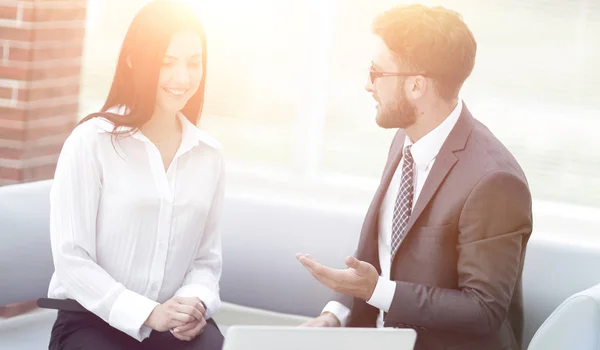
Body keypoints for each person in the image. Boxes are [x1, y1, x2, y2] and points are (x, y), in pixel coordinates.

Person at [297, 4, 532, 350]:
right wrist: (336, 314)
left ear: (417, 86)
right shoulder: (406, 138)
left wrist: (377, 291)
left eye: (377, 72)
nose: (367, 84)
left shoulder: (494, 181)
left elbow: (483, 310)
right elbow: (383, 257)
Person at [47, 1, 225, 349]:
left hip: (173, 324)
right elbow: (71, 259)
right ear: (133, 61)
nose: (183, 78)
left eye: (193, 62)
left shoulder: (210, 155)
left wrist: (194, 303)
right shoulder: (91, 141)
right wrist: (147, 313)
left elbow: (206, 259)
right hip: (91, 319)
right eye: (166, 62)